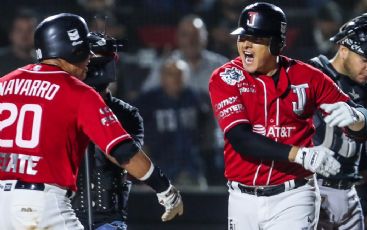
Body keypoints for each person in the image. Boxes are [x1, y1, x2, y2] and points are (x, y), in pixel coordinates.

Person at [0, 13, 182, 230]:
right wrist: (164, 188)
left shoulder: (4, 84)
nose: (89, 58)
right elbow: (122, 151)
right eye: (85, 51)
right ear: (71, 49)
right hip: (44, 205)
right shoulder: (78, 92)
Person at [208, 2, 367, 230]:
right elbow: (241, 139)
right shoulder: (225, 77)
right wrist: (300, 154)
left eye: (257, 39)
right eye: (243, 37)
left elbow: (365, 125)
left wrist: (358, 118)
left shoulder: (307, 77)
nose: (246, 44)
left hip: (294, 196)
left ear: (277, 44)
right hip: (241, 199)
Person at [308, 12, 367, 230]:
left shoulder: (365, 89)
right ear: (343, 49)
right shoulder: (311, 74)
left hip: (349, 194)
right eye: (365, 59)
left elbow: (359, 152)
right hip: (311, 190)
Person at [71, 32, 140, 230]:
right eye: (91, 58)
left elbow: (126, 158)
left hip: (109, 217)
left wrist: (97, 116)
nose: (94, 65)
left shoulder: (127, 114)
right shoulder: (62, 105)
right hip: (66, 213)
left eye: (101, 59)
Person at [134, 57, 210, 189]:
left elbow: (205, 130)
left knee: (199, 206)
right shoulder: (147, 101)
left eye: (179, 74)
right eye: (170, 74)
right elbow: (137, 135)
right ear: (162, 77)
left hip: (191, 168)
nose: (175, 79)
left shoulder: (195, 98)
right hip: (159, 168)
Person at [0, 8, 38, 75]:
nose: (24, 35)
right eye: (19, 30)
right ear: (11, 34)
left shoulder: (44, 62)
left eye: (29, 30)